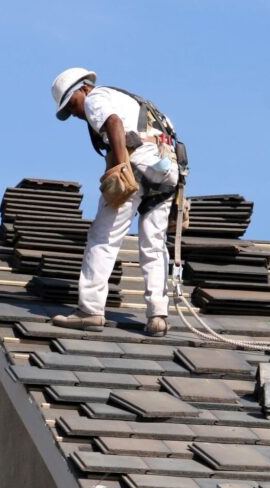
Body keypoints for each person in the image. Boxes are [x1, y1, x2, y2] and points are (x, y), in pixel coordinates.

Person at [49, 67, 181, 337]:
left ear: (83, 88)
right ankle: (157, 316)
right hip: (167, 169)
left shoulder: (96, 98)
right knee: (154, 243)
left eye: (72, 104)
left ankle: (90, 310)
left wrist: (122, 169)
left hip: (139, 160)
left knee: (103, 237)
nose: (74, 113)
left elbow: (113, 124)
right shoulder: (131, 101)